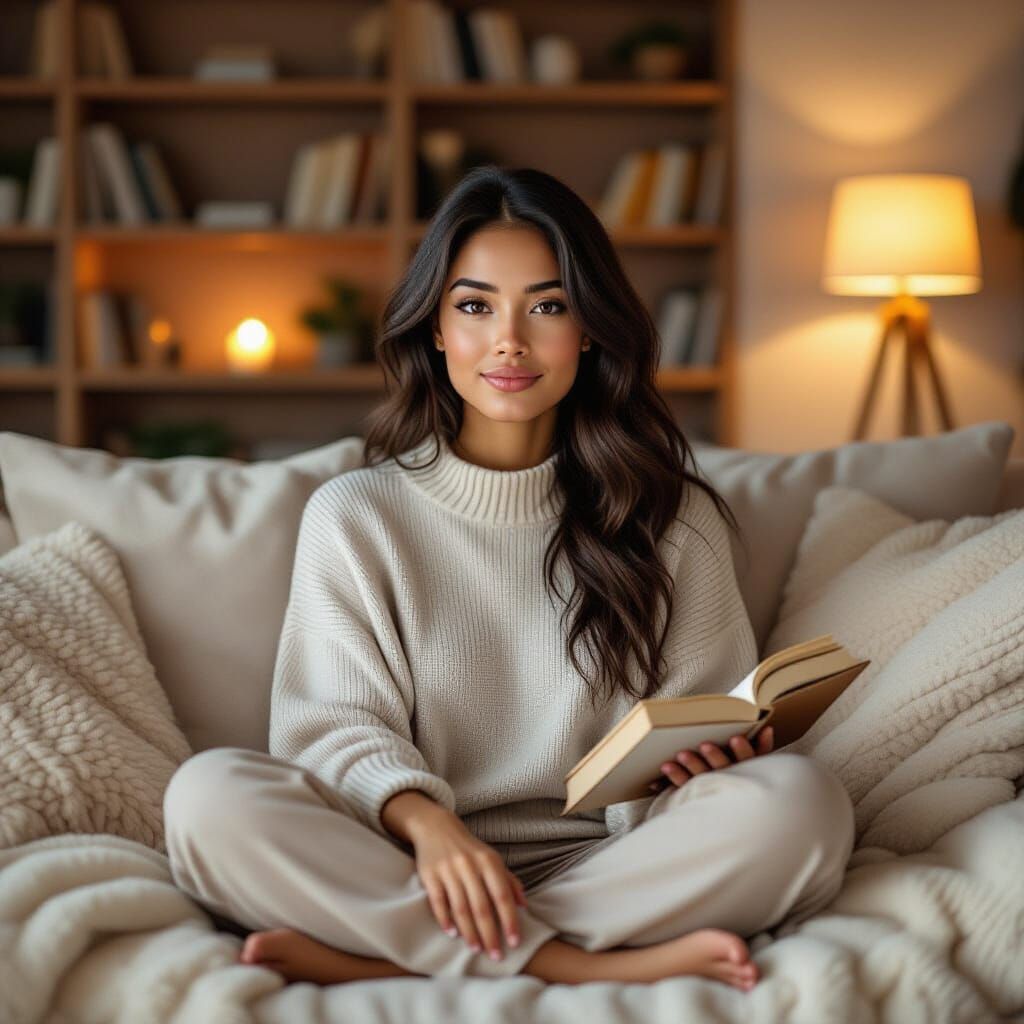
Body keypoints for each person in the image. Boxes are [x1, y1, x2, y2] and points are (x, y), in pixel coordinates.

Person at [163, 165, 855, 991]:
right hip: (412, 859)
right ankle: (580, 965)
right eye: (475, 305)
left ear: (591, 329)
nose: (510, 342)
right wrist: (432, 830)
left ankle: (389, 956)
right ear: (435, 330)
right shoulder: (358, 514)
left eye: (549, 306)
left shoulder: (673, 517)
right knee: (208, 798)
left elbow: (697, 713)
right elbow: (331, 729)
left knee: (802, 803)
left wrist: (709, 762)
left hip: (614, 861)